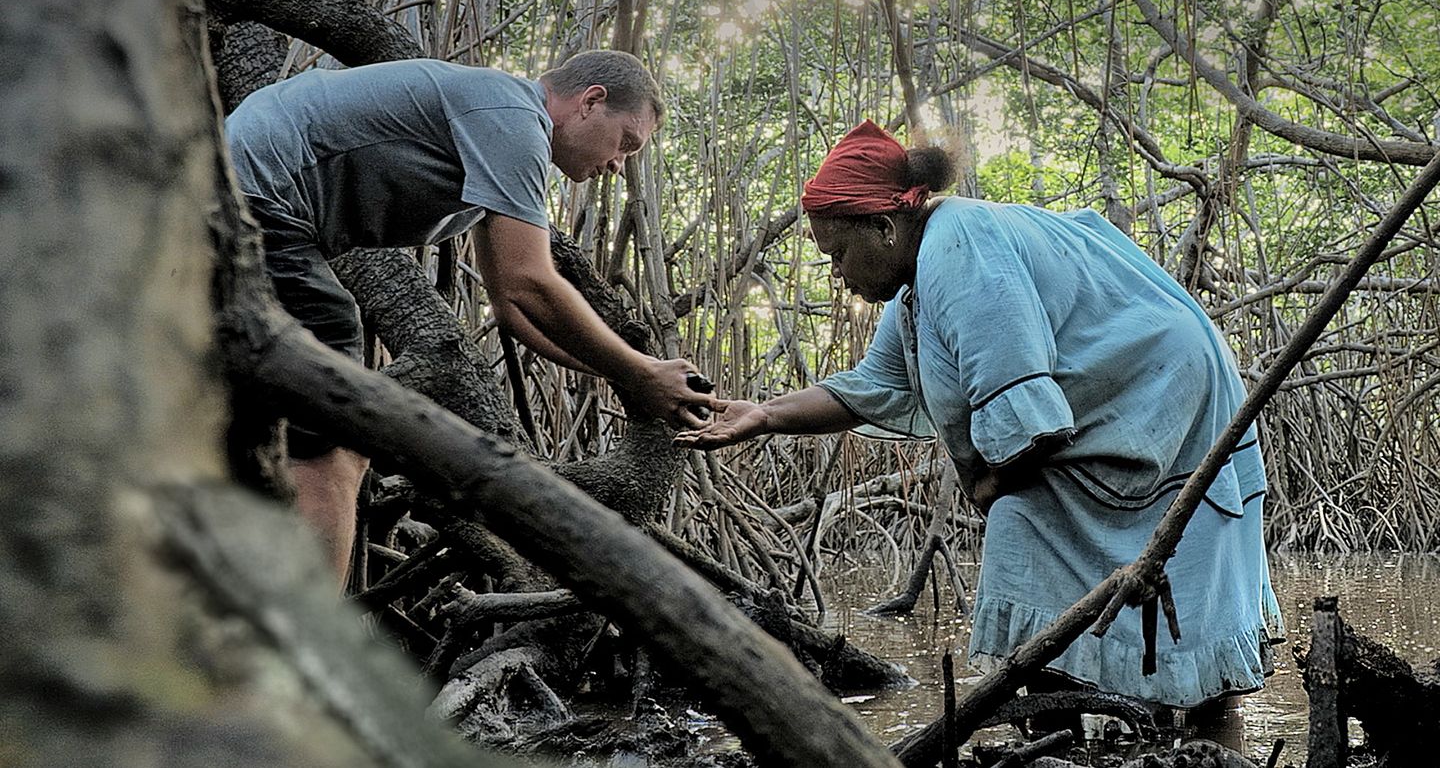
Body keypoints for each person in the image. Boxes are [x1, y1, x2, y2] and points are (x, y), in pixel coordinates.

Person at [676, 120, 1283, 736]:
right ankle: (1091, 728)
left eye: (837, 252)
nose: (836, 272)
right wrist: (764, 416)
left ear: (884, 228)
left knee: (1077, 537)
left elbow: (1030, 428)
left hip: (1164, 390)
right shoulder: (918, 282)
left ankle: (1170, 731)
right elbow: (871, 388)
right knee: (1028, 531)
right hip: (1128, 396)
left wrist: (987, 484)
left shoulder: (959, 251)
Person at [226, 50, 713, 581]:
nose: (620, 165)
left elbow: (510, 307)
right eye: (626, 142)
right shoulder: (512, 115)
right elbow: (532, 282)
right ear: (590, 102)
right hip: (254, 196)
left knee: (270, 423)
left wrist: (624, 376)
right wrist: (640, 370)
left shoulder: (499, 131)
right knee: (336, 441)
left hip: (240, 195)